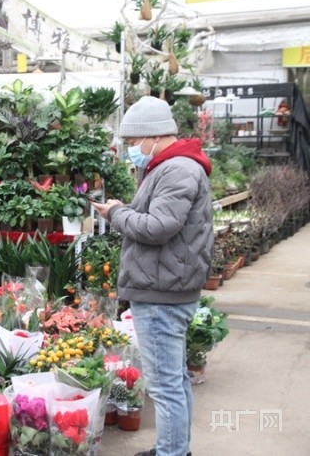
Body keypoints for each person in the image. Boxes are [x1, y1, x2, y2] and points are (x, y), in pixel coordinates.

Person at [92, 96, 212, 456]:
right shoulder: (168, 166)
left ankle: (172, 453)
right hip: (165, 284)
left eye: (132, 143)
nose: (130, 150)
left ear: (153, 136)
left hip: (162, 291)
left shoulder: (177, 169)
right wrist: (124, 211)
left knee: (164, 386)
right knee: (173, 380)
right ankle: (174, 448)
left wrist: (116, 214)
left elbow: (159, 227)